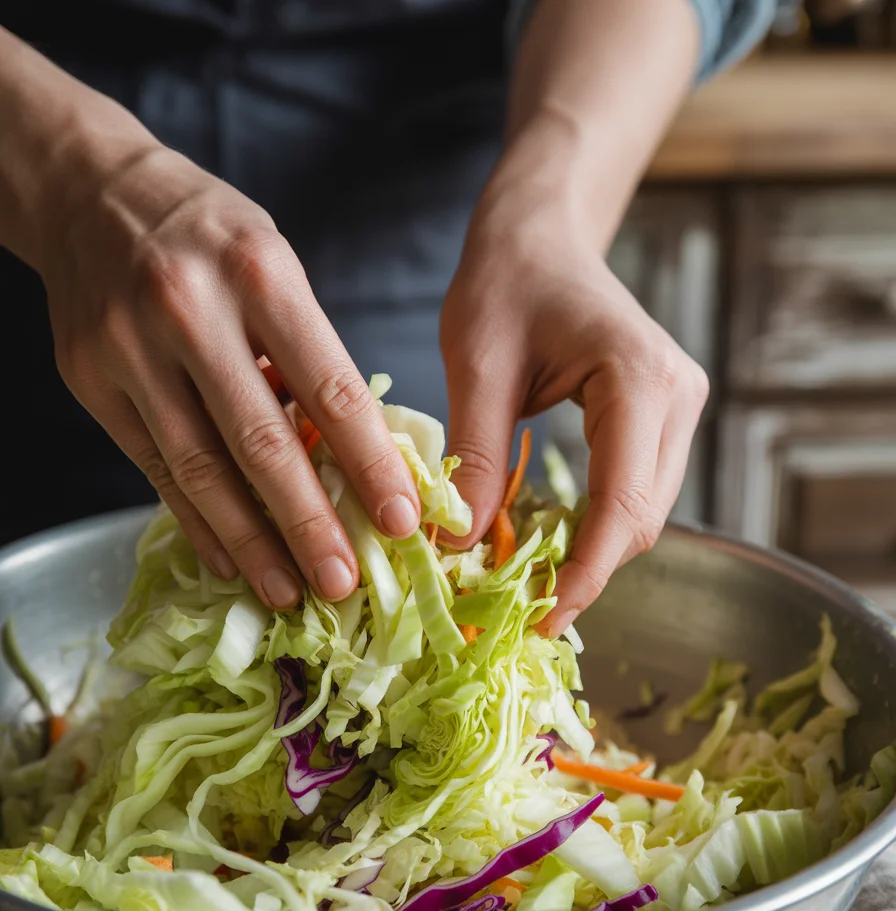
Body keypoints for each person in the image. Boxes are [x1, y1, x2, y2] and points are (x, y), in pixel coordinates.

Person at [0, 0, 778, 637]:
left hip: (439, 236)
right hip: (27, 255)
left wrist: (553, 208)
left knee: (444, 549)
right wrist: (62, 173)